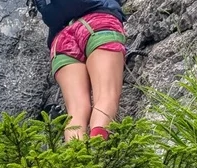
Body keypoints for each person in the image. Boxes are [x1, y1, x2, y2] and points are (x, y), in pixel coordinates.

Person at [31, 0, 128, 141]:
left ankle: (77, 158)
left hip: (60, 40)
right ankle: (98, 148)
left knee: (76, 112)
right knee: (105, 96)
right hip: (97, 21)